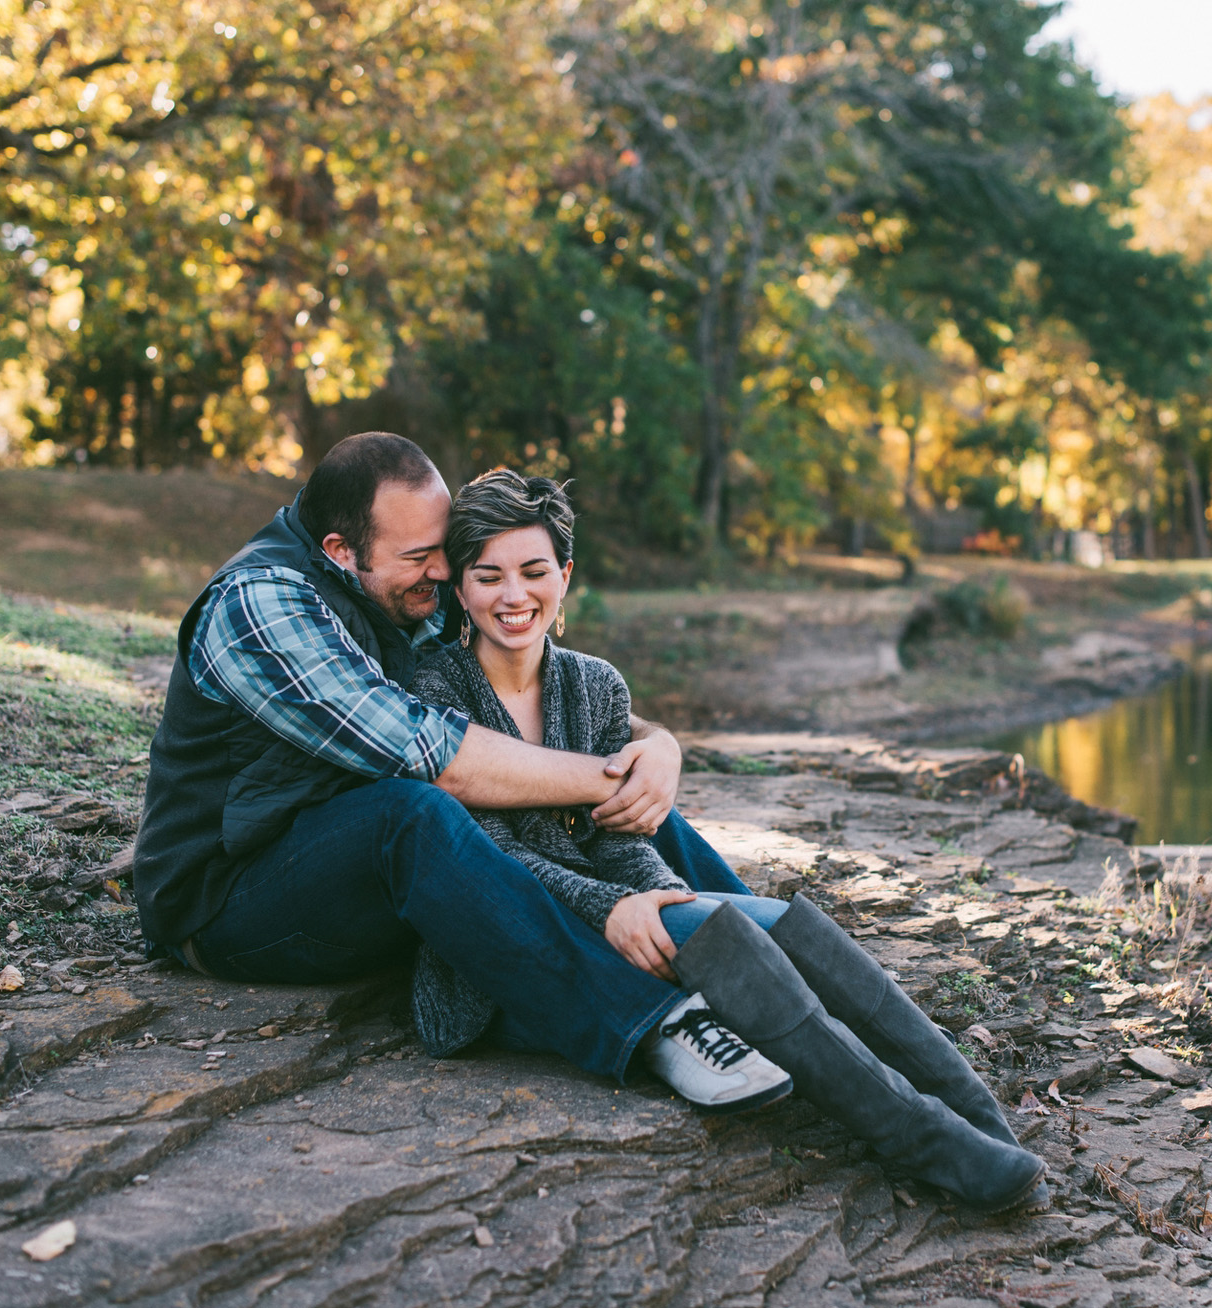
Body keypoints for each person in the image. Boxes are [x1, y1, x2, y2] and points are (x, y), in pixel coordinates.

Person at [407, 469, 1050, 1214]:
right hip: (512, 960)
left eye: (532, 571)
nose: (513, 596)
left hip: (610, 910)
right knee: (719, 925)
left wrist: (652, 891)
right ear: (460, 590)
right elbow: (487, 861)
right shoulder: (436, 694)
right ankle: (919, 1138)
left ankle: (977, 1117)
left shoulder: (596, 686)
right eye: (488, 576)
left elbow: (623, 832)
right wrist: (624, 906)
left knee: (784, 922)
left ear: (566, 576)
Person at [130, 432, 785, 1113]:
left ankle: (771, 964)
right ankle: (655, 1025)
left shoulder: (406, 584)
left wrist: (652, 747)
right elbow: (435, 757)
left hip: (362, 874)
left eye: (443, 549)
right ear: (339, 551)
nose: (443, 571)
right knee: (411, 814)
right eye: (419, 557)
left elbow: (535, 704)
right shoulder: (258, 607)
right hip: (230, 902)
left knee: (626, 805)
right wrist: (610, 774)